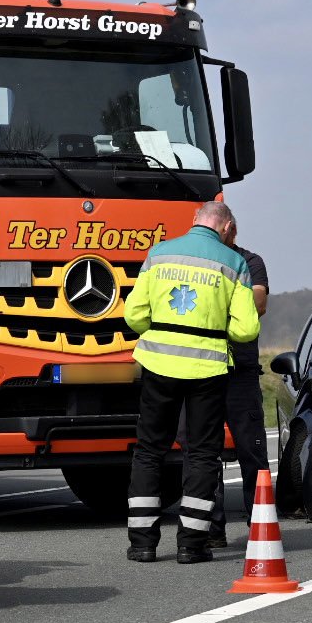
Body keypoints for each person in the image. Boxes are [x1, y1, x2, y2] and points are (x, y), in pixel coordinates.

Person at [125, 201, 261, 564]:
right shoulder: (234, 263)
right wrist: (217, 329)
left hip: (159, 364)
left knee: (149, 451)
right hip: (207, 369)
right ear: (227, 227)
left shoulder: (159, 254)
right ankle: (192, 544)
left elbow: (134, 316)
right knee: (202, 454)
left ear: (195, 220)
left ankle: (142, 544)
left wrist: (162, 329)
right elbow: (246, 329)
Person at [205, 217, 268, 547]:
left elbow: (258, 305)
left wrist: (212, 304)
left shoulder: (251, 262)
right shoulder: (202, 261)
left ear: (230, 229)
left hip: (241, 372)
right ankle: (211, 530)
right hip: (205, 369)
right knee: (204, 454)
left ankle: (261, 528)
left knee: (252, 452)